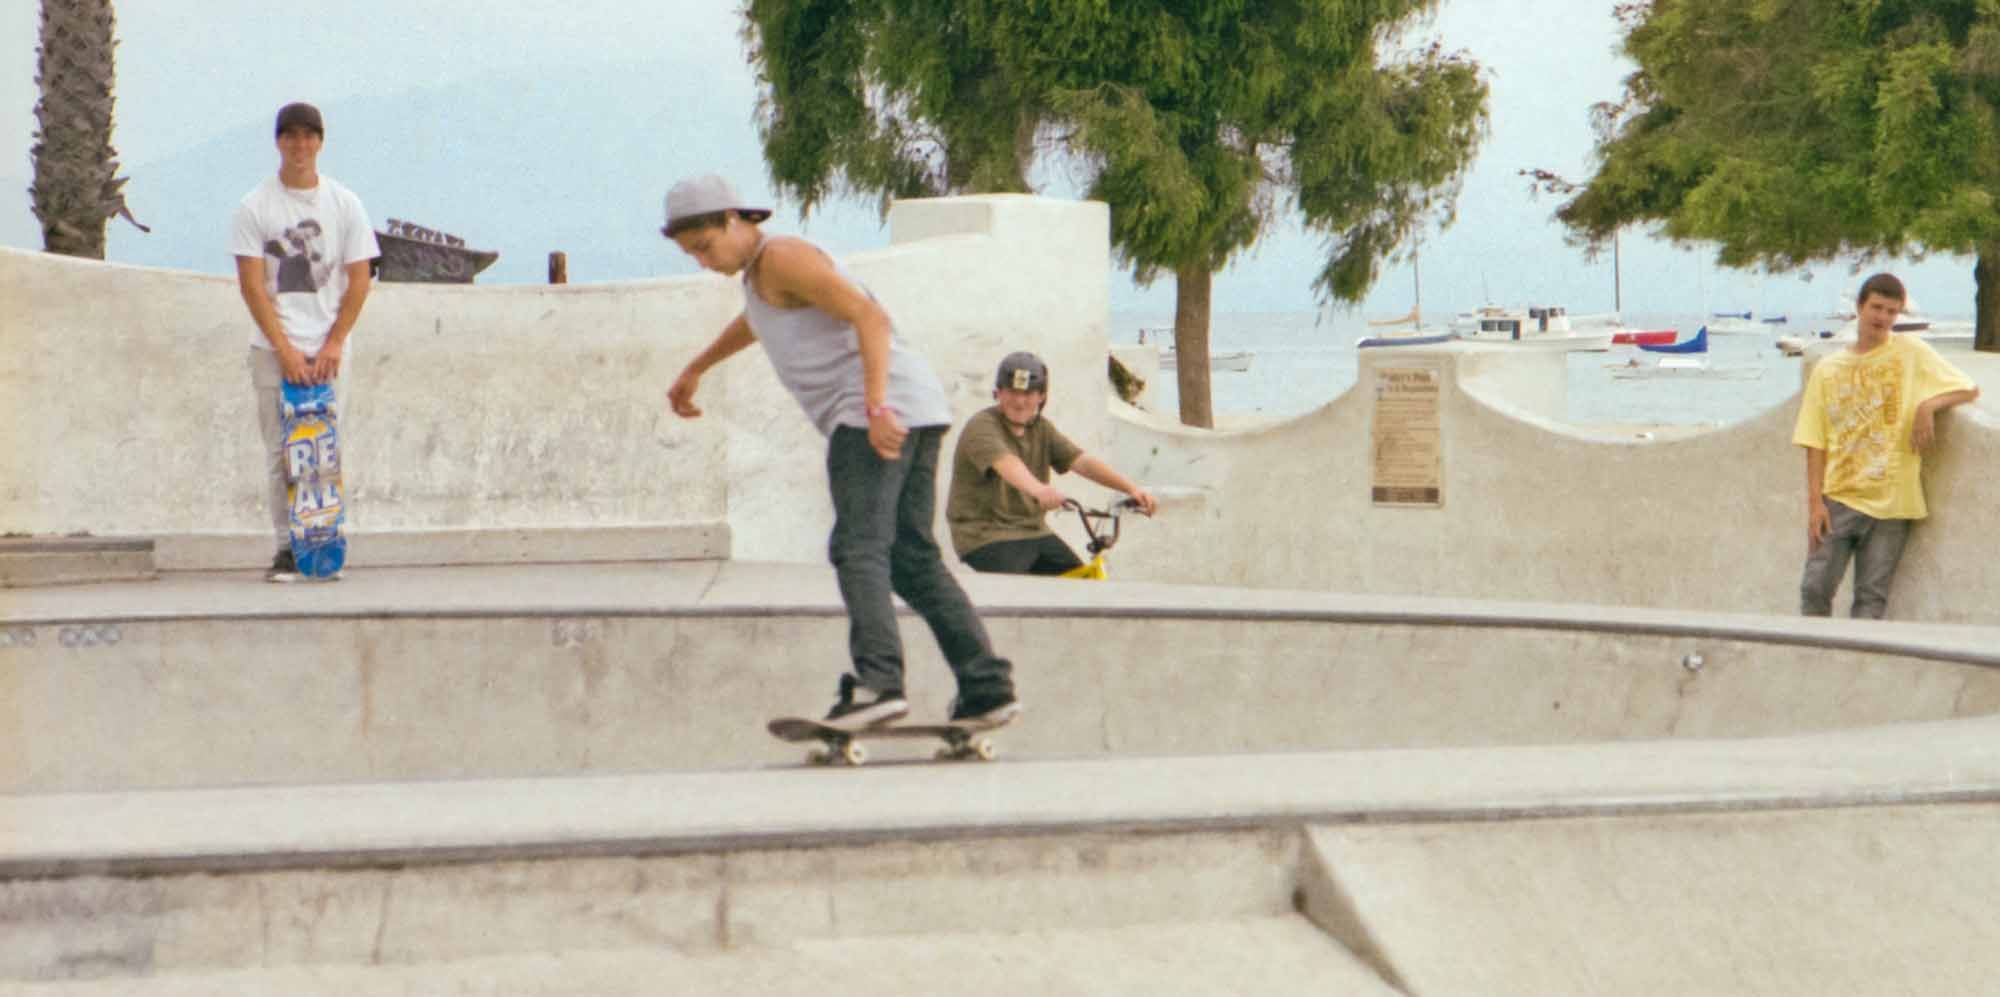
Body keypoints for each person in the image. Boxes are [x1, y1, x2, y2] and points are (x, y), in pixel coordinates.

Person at [660, 174, 1018, 731]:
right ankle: (986, 687)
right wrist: (697, 367)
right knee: (912, 559)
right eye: (692, 255)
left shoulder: (780, 259)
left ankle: (878, 685)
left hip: (873, 411)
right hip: (915, 405)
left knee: (858, 547)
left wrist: (875, 408)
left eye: (705, 248)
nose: (704, 262)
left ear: (734, 220)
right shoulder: (763, 279)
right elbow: (756, 321)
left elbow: (869, 317)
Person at [230, 102, 379, 583]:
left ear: (320, 141)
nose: (299, 145)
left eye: (308, 136)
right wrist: (286, 350)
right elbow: (253, 285)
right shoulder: (256, 206)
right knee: (282, 452)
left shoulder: (345, 205)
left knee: (324, 449)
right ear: (279, 141)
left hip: (330, 349)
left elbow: (359, 279)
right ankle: (287, 547)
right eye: (290, 136)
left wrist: (335, 342)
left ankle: (324, 540)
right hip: (274, 348)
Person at [1793, 272, 1979, 618]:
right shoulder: (1828, 369)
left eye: (1892, 312)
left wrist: (1928, 406)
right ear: (1860, 307)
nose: (1882, 318)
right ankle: (1815, 662)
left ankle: (1858, 668)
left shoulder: (1911, 352)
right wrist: (1815, 503)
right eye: (1877, 308)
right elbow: (1813, 440)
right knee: (1815, 587)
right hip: (1840, 498)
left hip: (1893, 504)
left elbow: (1967, 388)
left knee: (1871, 598)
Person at [946, 352, 1158, 575]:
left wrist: (1130, 488)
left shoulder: (1041, 428)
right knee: (1022, 596)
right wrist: (1038, 490)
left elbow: (1081, 461)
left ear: (1041, 397)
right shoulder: (982, 427)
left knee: (1079, 582)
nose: (1020, 401)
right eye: (1012, 392)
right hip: (986, 536)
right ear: (998, 393)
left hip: (1033, 532)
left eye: (1028, 393)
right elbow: (1006, 462)